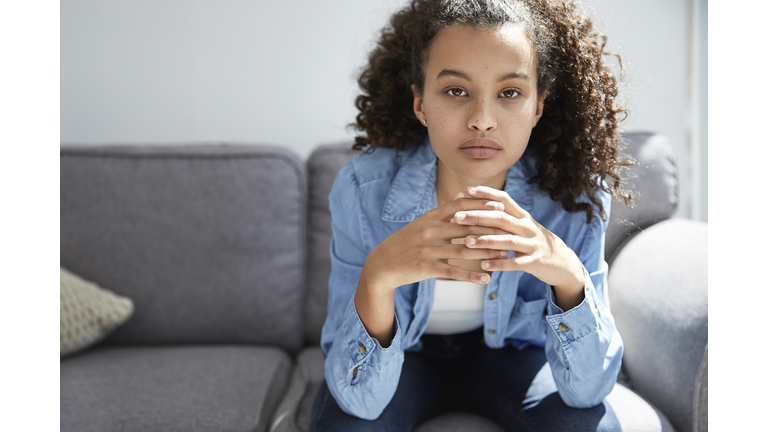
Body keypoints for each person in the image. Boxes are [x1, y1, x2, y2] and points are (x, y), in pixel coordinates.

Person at [311, 0, 632, 430]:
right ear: (421, 102)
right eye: (456, 91)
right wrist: (379, 274)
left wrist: (569, 276)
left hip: (511, 356)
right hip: (407, 357)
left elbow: (587, 391)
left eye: (510, 93)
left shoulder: (575, 196)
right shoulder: (361, 191)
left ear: (538, 105)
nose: (482, 120)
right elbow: (359, 402)